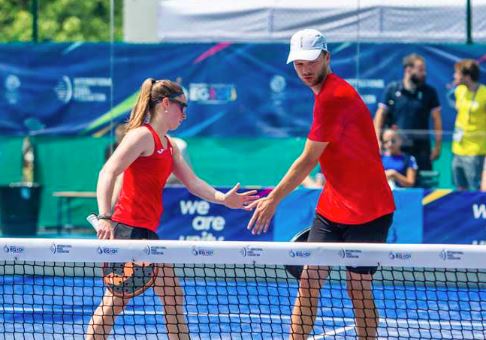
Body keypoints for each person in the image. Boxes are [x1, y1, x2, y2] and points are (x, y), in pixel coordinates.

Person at [247, 29, 395, 340]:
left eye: (311, 61)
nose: (305, 70)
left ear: (327, 57)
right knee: (309, 279)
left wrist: (273, 199)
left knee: (358, 287)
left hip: (370, 209)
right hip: (332, 207)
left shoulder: (334, 97)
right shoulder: (323, 95)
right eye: (299, 64)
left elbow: (307, 160)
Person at [86, 78, 258, 339]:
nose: (185, 113)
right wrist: (105, 217)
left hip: (147, 236)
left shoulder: (169, 145)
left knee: (173, 297)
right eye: (182, 106)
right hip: (128, 233)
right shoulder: (141, 136)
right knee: (115, 303)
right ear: (165, 104)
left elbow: (193, 182)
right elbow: (108, 171)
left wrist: (223, 199)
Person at [373, 53, 442, 171]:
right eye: (420, 70)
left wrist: (437, 146)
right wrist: (377, 140)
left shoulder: (429, 92)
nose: (424, 73)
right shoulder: (392, 89)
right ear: (408, 69)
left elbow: (436, 119)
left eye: (424, 70)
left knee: (423, 186)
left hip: (421, 149)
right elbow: (380, 115)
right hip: (396, 148)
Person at [451, 59, 486, 191]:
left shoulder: (484, 94)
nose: (455, 76)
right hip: (457, 148)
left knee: (474, 188)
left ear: (467, 76)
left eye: (457, 73)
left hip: (476, 150)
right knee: (459, 187)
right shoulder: (458, 91)